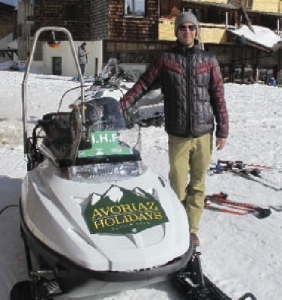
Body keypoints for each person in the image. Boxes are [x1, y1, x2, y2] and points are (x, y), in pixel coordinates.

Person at [120, 12, 228, 247]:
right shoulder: (166, 59)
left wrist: (223, 130)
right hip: (178, 134)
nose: (187, 31)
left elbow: (218, 96)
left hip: (203, 133)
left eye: (191, 27)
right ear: (177, 32)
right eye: (182, 28)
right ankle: (178, 225)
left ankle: (191, 229)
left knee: (198, 184)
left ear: (196, 30)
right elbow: (143, 83)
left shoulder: (209, 60)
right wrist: (122, 104)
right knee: (178, 184)